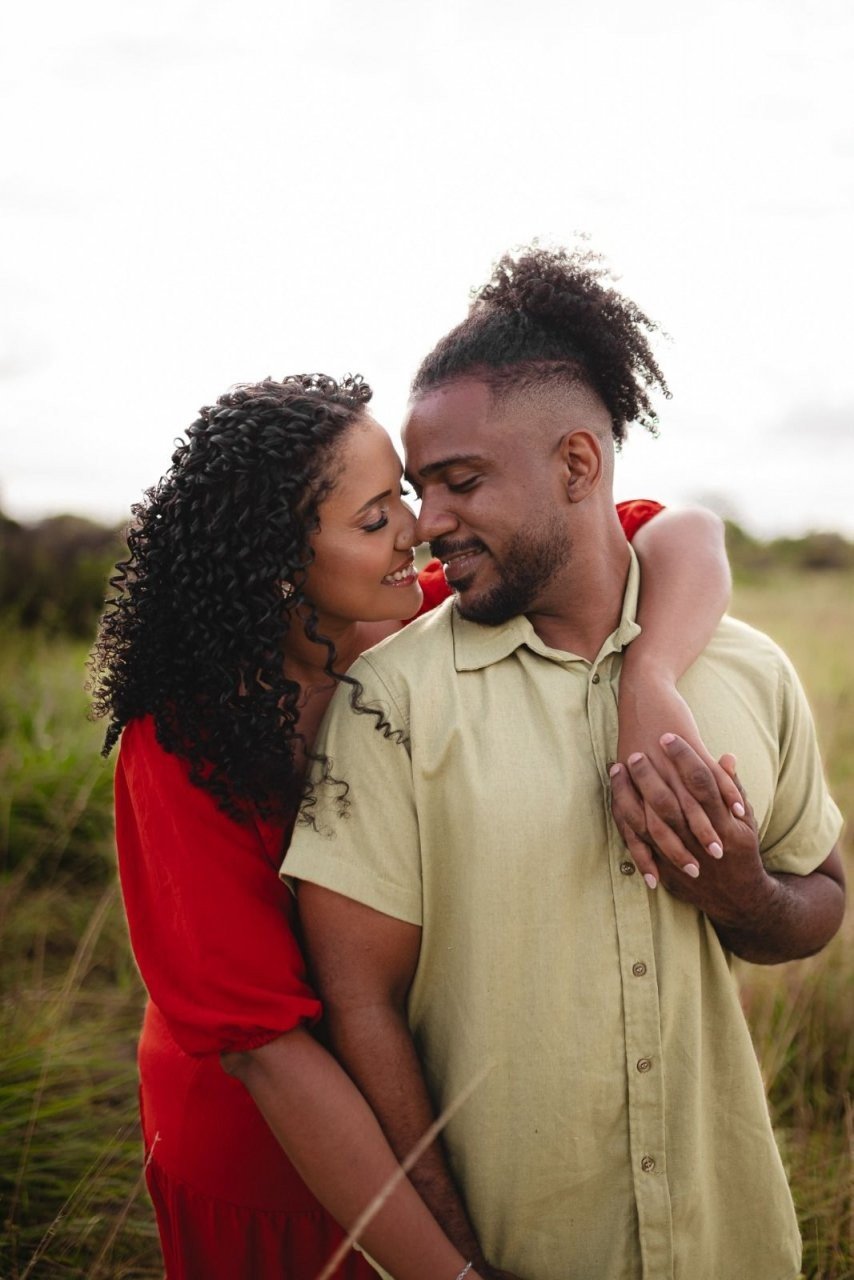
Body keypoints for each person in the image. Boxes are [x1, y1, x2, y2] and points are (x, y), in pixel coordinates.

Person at [90, 371, 731, 1279]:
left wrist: (651, 676)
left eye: (401, 493)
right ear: (278, 563)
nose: (419, 527)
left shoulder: (422, 618)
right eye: (373, 518)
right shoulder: (180, 741)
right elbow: (266, 1053)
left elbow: (682, 530)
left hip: (424, 1117)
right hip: (269, 1165)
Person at [284, 249, 846, 1280]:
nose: (429, 523)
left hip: (734, 1247)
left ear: (578, 466)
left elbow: (821, 899)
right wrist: (462, 1264)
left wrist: (743, 894)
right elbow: (359, 1007)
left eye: (461, 482)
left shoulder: (748, 670)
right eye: (419, 489)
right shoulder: (390, 701)